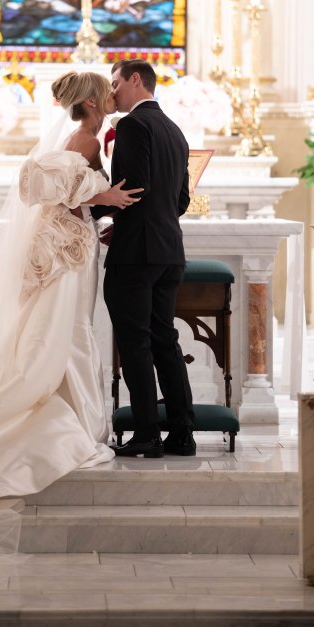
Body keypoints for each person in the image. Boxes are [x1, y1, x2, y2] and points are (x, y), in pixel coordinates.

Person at [0, 71, 142, 514]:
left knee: (61, 329)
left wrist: (97, 208)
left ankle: (67, 410)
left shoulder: (81, 136)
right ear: (91, 102)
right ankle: (47, 416)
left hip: (69, 243)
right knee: (63, 330)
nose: (113, 95)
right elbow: (69, 196)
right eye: (106, 91)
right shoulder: (86, 140)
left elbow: (68, 191)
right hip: (69, 250)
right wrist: (105, 198)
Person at [99, 59, 195, 458]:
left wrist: (101, 214)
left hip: (137, 253)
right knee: (164, 341)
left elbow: (132, 188)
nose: (113, 92)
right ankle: (182, 435)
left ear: (135, 79)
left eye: (116, 83)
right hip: (169, 250)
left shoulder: (133, 126)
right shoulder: (175, 130)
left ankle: (146, 434)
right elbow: (182, 200)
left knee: (135, 343)